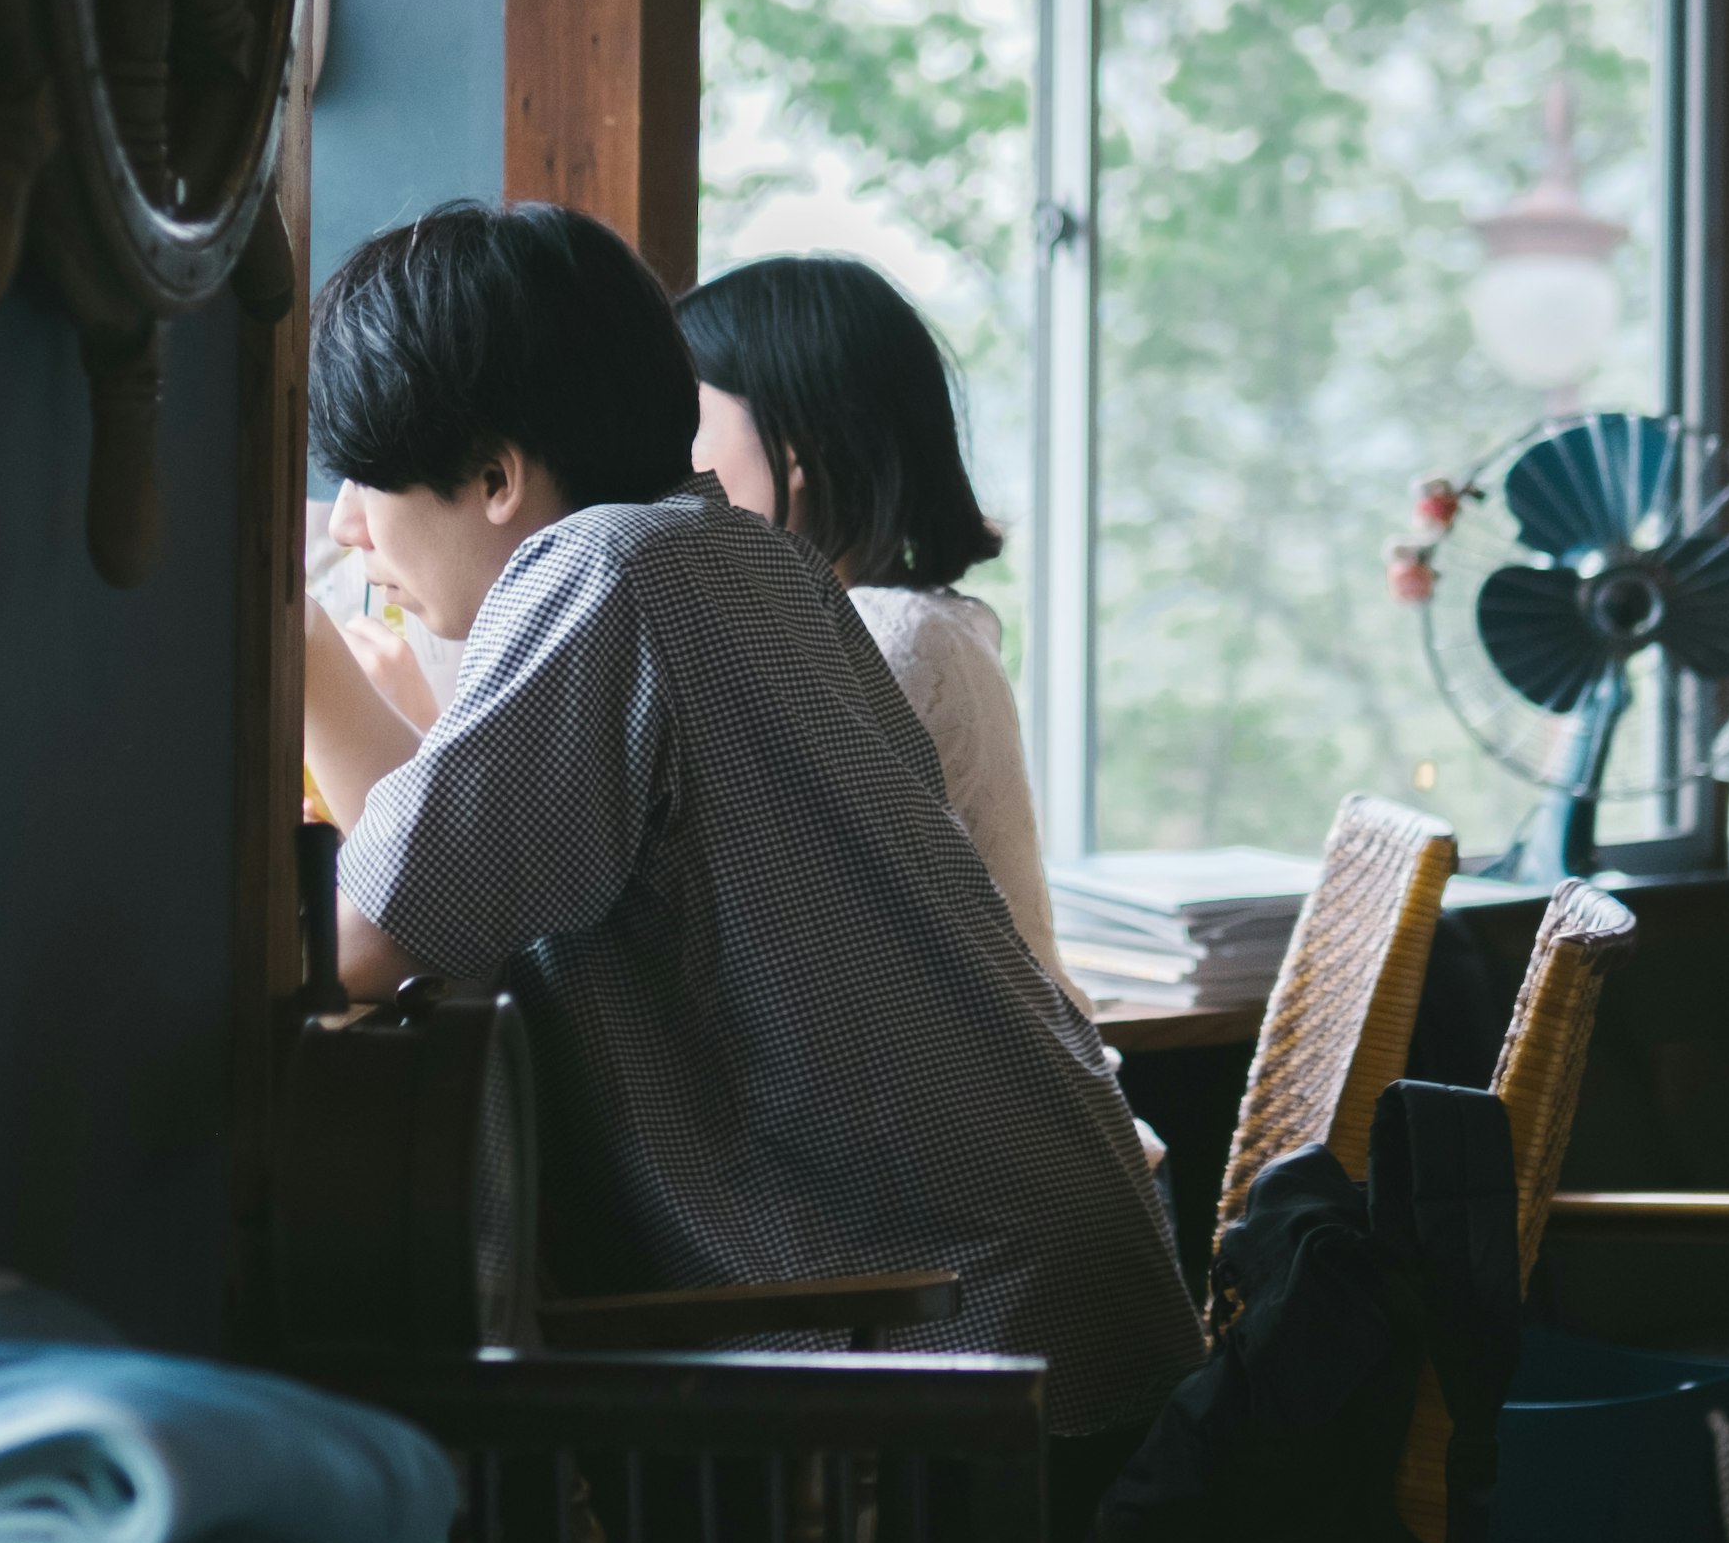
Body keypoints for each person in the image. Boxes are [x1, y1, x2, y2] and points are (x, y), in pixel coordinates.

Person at [297, 200, 1202, 1451]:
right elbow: (456, 881)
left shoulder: (605, 573)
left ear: (497, 477)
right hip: (1070, 1312)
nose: (345, 523)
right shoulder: (729, 558)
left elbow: (367, 937)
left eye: (366, 479)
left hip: (964, 1374)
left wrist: (283, 645)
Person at [674, 254, 1073, 1003]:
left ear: (797, 445)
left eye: (688, 424)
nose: (668, 464)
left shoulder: (886, 636)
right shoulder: (918, 622)